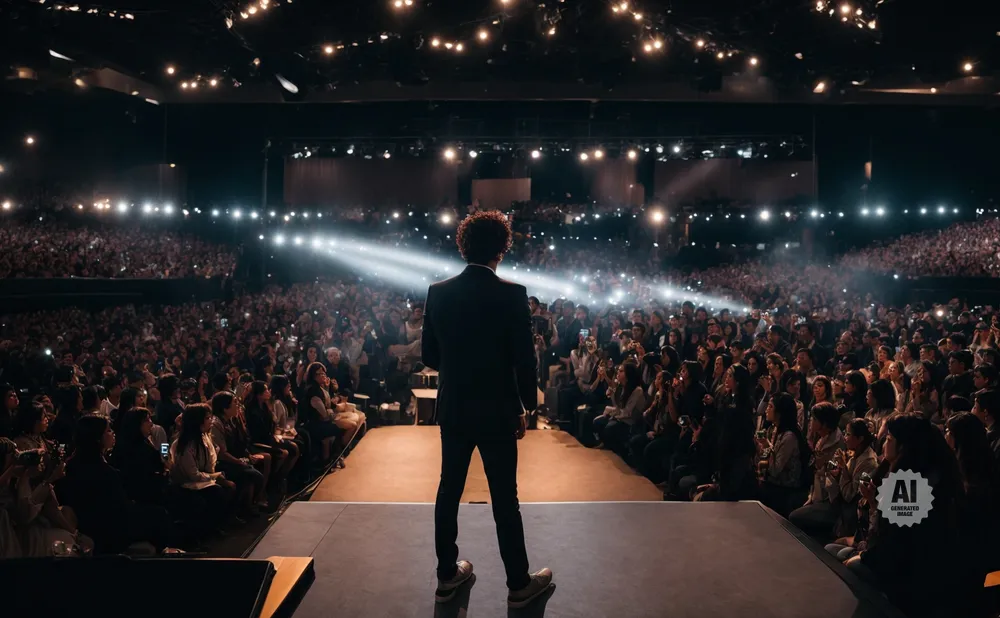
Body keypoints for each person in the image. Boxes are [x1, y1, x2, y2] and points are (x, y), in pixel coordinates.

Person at [422, 210, 552, 608]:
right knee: (504, 497)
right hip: (498, 409)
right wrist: (527, 406)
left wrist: (462, 370)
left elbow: (430, 355)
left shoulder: (438, 292)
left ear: (463, 245)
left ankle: (447, 576)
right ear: (503, 247)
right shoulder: (512, 294)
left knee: (449, 489)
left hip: (455, 406)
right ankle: (517, 584)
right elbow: (524, 360)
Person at [57, 415, 176, 554]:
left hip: (91, 523)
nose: (113, 433)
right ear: (97, 438)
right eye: (108, 431)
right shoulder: (104, 471)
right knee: (160, 515)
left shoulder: (72, 464)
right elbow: (121, 509)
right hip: (109, 528)